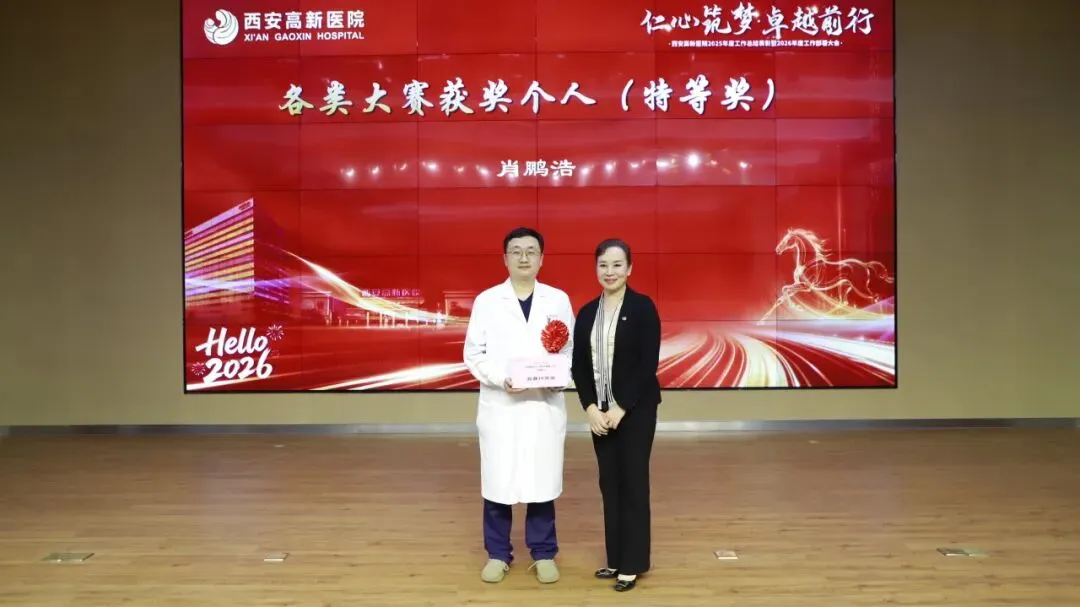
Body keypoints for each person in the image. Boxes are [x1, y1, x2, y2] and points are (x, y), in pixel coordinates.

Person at [463, 226, 575, 585]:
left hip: (543, 405)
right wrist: (501, 378)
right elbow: (474, 354)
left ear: (541, 258)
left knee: (541, 482)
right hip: (502, 406)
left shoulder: (557, 300)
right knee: (498, 482)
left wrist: (560, 377)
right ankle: (498, 554)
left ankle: (543, 553)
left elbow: (569, 351)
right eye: (516, 251)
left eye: (531, 251)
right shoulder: (487, 301)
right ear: (505, 258)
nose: (524, 257)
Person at [571, 238, 662, 593]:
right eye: (603, 265)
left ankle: (633, 563)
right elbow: (579, 366)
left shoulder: (642, 307)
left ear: (629, 268)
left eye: (617, 265)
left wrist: (621, 407)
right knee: (609, 484)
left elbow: (647, 363)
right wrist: (591, 408)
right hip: (600, 415)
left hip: (635, 411)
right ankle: (615, 558)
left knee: (633, 482)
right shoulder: (586, 313)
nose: (609, 272)